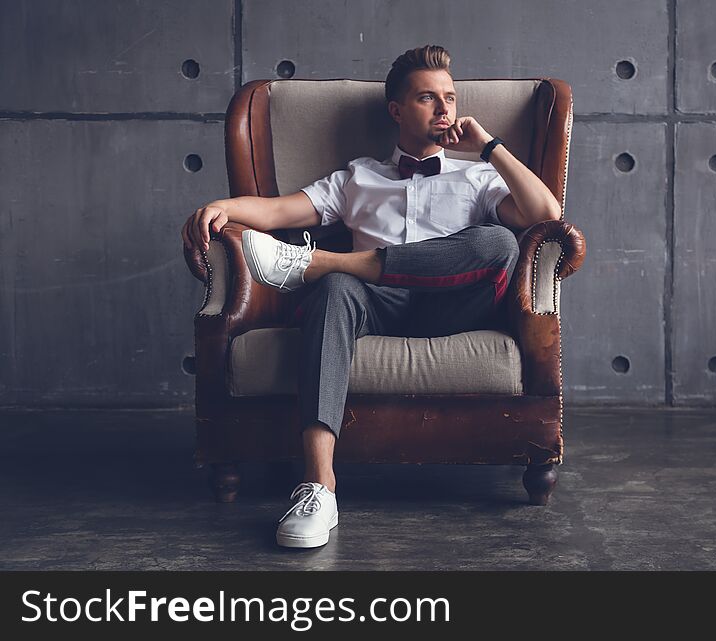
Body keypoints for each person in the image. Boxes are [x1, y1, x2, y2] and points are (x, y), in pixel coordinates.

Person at [181, 45, 561, 549]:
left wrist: (489, 146)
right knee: (336, 291)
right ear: (397, 111)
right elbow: (276, 214)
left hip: (455, 306)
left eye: (449, 97)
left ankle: (317, 264)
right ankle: (319, 487)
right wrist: (220, 206)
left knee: (497, 242)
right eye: (428, 98)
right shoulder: (358, 177)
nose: (445, 108)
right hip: (377, 306)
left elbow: (547, 216)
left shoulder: (477, 174)